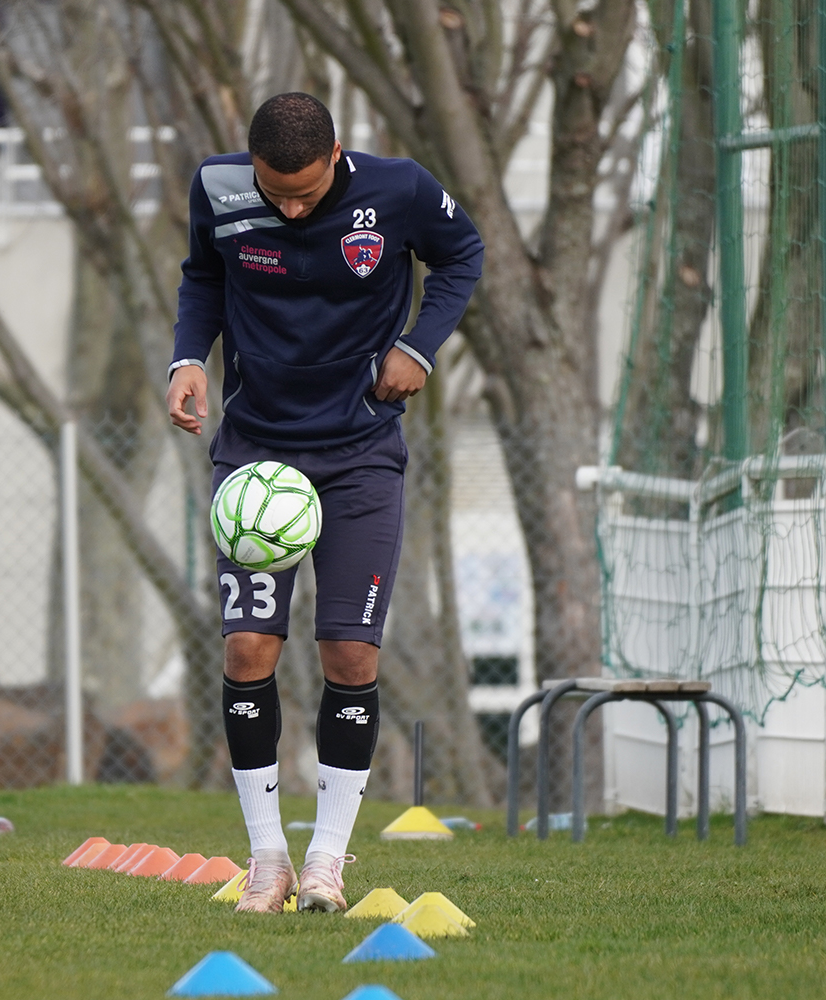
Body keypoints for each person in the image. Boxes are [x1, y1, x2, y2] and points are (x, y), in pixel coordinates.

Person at [166, 92, 483, 914]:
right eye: (278, 192)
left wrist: (419, 344)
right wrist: (186, 360)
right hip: (256, 459)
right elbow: (201, 274)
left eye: (307, 191)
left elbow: (463, 254)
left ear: (338, 152)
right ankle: (267, 857)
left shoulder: (400, 189)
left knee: (351, 659)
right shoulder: (220, 189)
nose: (294, 206)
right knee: (247, 654)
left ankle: (326, 862)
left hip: (360, 456)